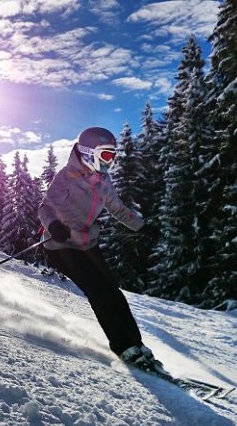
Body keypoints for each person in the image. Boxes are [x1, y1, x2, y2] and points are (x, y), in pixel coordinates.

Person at [38, 126, 158, 371]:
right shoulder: (66, 177)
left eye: (112, 156)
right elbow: (45, 208)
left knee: (113, 291)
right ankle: (124, 347)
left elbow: (117, 208)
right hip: (61, 245)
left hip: (86, 242)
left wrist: (141, 226)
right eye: (105, 155)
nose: (110, 161)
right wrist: (54, 225)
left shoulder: (103, 181)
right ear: (88, 152)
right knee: (98, 291)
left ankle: (137, 345)